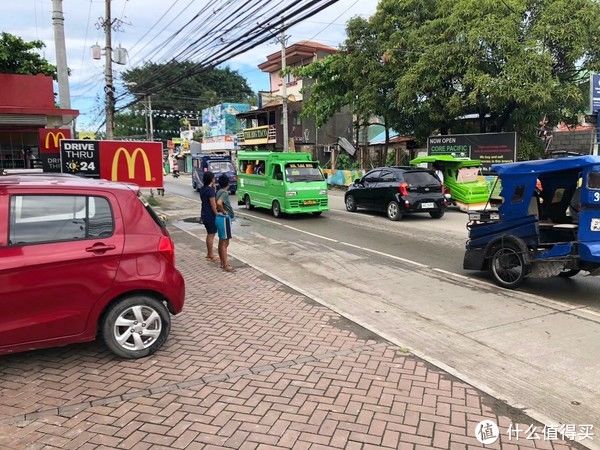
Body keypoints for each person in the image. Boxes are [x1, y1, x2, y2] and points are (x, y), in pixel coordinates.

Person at [216, 174, 235, 272]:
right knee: (225, 242)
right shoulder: (224, 192)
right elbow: (219, 203)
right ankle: (225, 265)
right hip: (225, 218)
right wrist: (224, 211)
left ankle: (222, 262)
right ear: (228, 183)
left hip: (219, 218)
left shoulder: (218, 191)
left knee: (221, 241)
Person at [199, 171, 219, 263]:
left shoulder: (203, 189)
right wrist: (217, 214)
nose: (215, 179)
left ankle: (209, 253)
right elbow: (213, 204)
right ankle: (211, 254)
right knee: (211, 235)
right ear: (211, 179)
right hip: (210, 215)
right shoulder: (210, 191)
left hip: (204, 213)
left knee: (209, 234)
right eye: (214, 178)